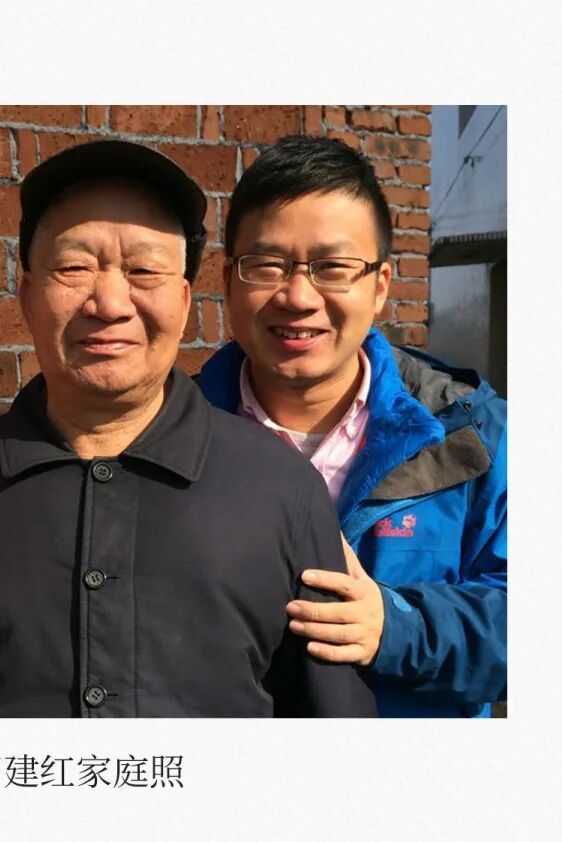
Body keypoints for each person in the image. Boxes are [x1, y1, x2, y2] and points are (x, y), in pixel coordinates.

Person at [0, 140, 376, 717]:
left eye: (143, 270)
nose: (109, 303)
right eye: (74, 268)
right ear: (26, 296)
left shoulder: (281, 490)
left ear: (184, 301)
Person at [198, 135, 507, 717]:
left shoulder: (471, 434)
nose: (298, 296)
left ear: (380, 286)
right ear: (228, 278)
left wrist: (396, 626)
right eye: (267, 265)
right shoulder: (171, 434)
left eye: (333, 268)